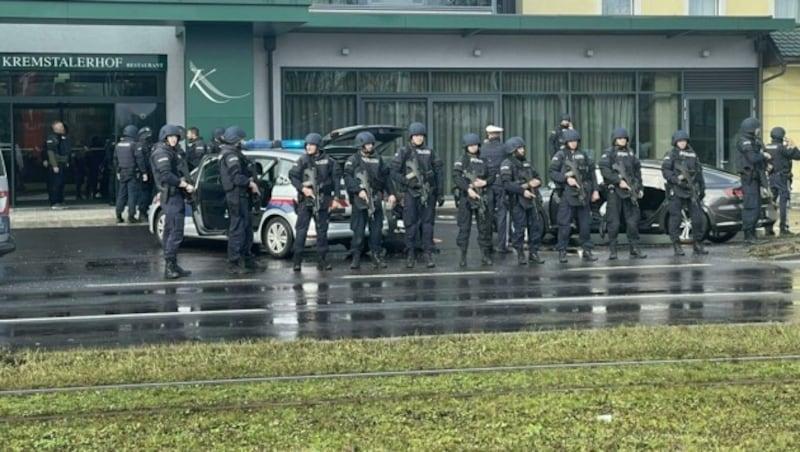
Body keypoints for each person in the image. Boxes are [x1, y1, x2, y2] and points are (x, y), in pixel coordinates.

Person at [391, 122, 444, 269]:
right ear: (411, 137)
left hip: (428, 192)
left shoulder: (430, 152)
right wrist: (407, 183)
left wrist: (439, 192)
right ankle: (410, 254)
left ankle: (427, 253)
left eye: (421, 136)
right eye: (416, 136)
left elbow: (439, 172)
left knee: (427, 225)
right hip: (411, 193)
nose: (419, 138)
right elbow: (394, 173)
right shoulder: (404, 152)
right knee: (411, 225)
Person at [289, 132, 344, 272]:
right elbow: (293, 176)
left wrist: (337, 198)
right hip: (305, 200)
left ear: (318, 146)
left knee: (322, 231)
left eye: (312, 145)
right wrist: (303, 189)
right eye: (307, 145)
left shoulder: (329, 161)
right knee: (301, 230)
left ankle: (322, 260)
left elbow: (336, 179)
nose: (309, 147)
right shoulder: (302, 160)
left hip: (323, 198)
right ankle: (297, 261)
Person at [344, 131, 396, 269]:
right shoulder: (353, 160)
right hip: (360, 201)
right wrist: (358, 190)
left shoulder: (378, 159)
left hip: (375, 198)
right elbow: (348, 178)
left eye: (371, 144)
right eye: (367, 144)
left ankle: (376, 256)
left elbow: (386, 178)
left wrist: (391, 193)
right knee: (359, 232)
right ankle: (356, 257)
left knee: (376, 231)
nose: (370, 146)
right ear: (360, 145)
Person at [549, 129, 600, 263]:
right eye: (570, 141)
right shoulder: (560, 155)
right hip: (568, 194)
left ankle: (587, 250)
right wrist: (566, 179)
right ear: (566, 142)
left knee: (585, 224)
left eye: (575, 141)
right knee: (564, 224)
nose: (573, 144)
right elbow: (552, 172)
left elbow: (592, 174)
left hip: (583, 193)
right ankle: (562, 251)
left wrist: (595, 190)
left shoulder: (584, 155)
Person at [219, 126, 264, 274]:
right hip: (236, 196)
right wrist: (250, 183)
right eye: (241, 139)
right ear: (235, 140)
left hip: (241, 196)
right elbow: (236, 177)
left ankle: (246, 258)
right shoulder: (231, 155)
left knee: (246, 228)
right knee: (237, 229)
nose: (243, 141)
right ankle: (234, 261)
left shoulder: (234, 153)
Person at [151, 124, 194, 279]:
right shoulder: (161, 152)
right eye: (171, 137)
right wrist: (184, 185)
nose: (174, 139)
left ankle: (173, 264)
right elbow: (166, 175)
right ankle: (170, 266)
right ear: (165, 138)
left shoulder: (172, 151)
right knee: (175, 231)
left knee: (172, 230)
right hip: (171, 196)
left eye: (176, 137)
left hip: (175, 195)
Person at [598, 127, 646, 260]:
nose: (622, 140)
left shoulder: (631, 153)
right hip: (615, 192)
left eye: (624, 138)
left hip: (630, 192)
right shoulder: (609, 154)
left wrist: (640, 188)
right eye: (619, 138)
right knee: (613, 222)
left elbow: (637, 172)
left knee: (633, 222)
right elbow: (605, 170)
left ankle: (634, 248)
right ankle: (613, 250)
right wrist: (618, 181)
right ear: (614, 140)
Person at [661, 130, 707, 256]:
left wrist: (702, 188)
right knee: (675, 218)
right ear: (675, 142)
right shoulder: (671, 154)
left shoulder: (692, 154)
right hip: (676, 190)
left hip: (691, 190)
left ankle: (697, 244)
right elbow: (665, 170)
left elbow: (699, 171)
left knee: (697, 218)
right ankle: (676, 245)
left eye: (684, 141)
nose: (682, 143)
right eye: (680, 141)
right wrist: (676, 180)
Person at [501, 136, 545, 266]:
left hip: (531, 199)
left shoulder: (527, 163)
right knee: (519, 228)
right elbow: (507, 184)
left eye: (522, 147)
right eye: (519, 148)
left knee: (535, 227)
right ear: (513, 150)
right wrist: (523, 189)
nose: (522, 150)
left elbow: (536, 177)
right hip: (517, 201)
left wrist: (538, 181)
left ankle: (534, 253)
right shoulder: (507, 164)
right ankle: (520, 252)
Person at [453, 133, 493, 267]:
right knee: (464, 228)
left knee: (484, 228)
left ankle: (485, 255)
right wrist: (468, 189)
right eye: (471, 145)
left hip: (481, 196)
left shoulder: (484, 160)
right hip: (466, 197)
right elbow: (457, 177)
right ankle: (462, 256)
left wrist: (485, 182)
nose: (473, 147)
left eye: (475, 145)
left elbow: (492, 176)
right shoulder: (462, 160)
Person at [737, 117, 770, 245]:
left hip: (756, 178)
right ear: (751, 129)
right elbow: (752, 158)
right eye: (757, 128)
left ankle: (752, 234)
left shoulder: (755, 141)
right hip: (749, 178)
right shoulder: (744, 142)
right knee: (751, 207)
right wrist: (763, 155)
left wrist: (766, 163)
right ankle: (748, 235)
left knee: (756, 207)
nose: (758, 130)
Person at [764, 126, 800, 236]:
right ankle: (783, 228)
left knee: (771, 204)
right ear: (782, 136)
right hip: (783, 178)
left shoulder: (767, 147)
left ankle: (768, 227)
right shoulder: (782, 148)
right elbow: (798, 156)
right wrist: (793, 144)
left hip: (771, 178)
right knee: (784, 203)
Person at [480, 124, 510, 254]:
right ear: (499, 135)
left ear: (489, 134)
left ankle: (487, 245)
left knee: (487, 214)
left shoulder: (482, 149)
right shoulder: (505, 149)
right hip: (501, 184)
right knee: (502, 215)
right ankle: (502, 245)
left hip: (487, 184)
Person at [113, 125, 142, 223]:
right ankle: (131, 216)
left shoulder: (118, 145)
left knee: (121, 194)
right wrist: (144, 172)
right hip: (132, 172)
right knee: (132, 195)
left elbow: (115, 160)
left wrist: (117, 171)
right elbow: (139, 159)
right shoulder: (134, 144)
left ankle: (118, 215)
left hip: (122, 172)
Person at [44, 120, 71, 209]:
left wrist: (67, 162)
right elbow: (50, 152)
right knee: (55, 184)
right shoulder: (52, 138)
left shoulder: (63, 137)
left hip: (63, 164)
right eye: (60, 127)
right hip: (56, 164)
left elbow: (65, 151)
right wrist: (54, 165)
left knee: (62, 183)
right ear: (55, 128)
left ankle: (60, 201)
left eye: (62, 127)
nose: (63, 128)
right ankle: (54, 202)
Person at [135, 127, 154, 219]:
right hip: (144, 173)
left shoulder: (148, 145)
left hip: (150, 172)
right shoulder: (140, 145)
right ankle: (142, 212)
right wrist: (144, 172)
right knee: (144, 193)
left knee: (148, 193)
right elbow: (140, 160)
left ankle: (144, 210)